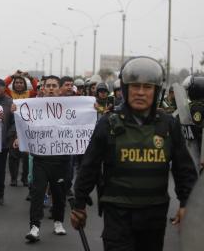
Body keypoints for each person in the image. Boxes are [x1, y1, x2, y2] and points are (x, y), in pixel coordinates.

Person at [71, 57, 198, 251]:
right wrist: (79, 204)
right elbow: (90, 166)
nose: (140, 92)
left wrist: (185, 204)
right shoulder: (108, 124)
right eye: (135, 86)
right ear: (125, 88)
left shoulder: (168, 125)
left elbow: (185, 170)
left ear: (156, 91)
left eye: (147, 87)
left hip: (154, 217)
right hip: (118, 216)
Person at [25, 75, 69, 242]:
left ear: (59, 89)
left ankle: (58, 221)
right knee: (37, 193)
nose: (51, 88)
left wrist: (92, 109)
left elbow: (82, 121)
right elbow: (23, 122)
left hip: (61, 159)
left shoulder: (69, 107)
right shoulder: (33, 106)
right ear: (42, 88)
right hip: (40, 158)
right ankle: (34, 227)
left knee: (59, 194)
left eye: (54, 85)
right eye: (48, 85)